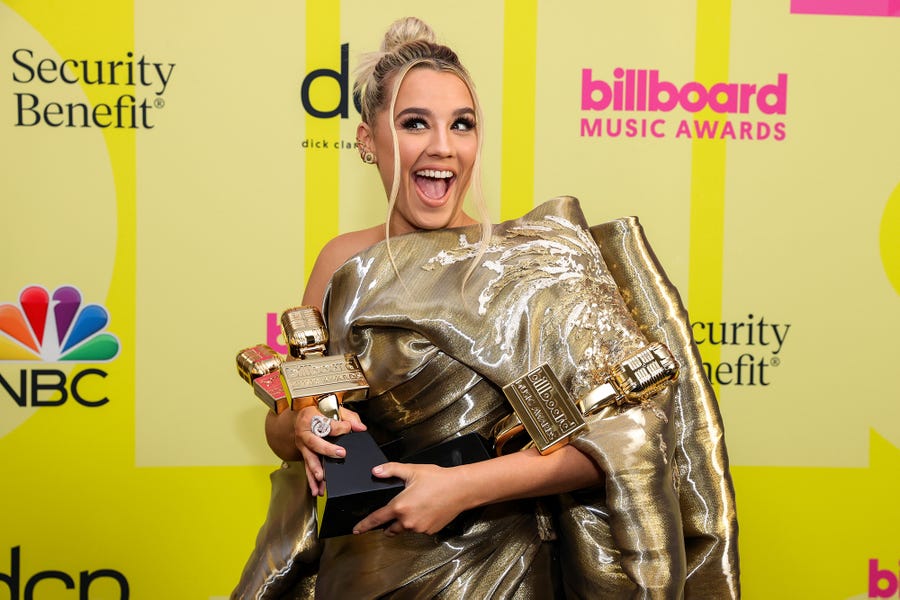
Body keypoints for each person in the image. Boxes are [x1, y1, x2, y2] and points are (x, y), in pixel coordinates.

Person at [252, 16, 739, 599]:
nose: (442, 146)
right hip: (362, 571)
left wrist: (461, 487)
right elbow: (292, 419)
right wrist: (301, 426)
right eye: (415, 124)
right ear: (366, 140)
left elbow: (616, 437)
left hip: (495, 571)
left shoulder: (530, 264)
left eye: (462, 124)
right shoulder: (340, 261)